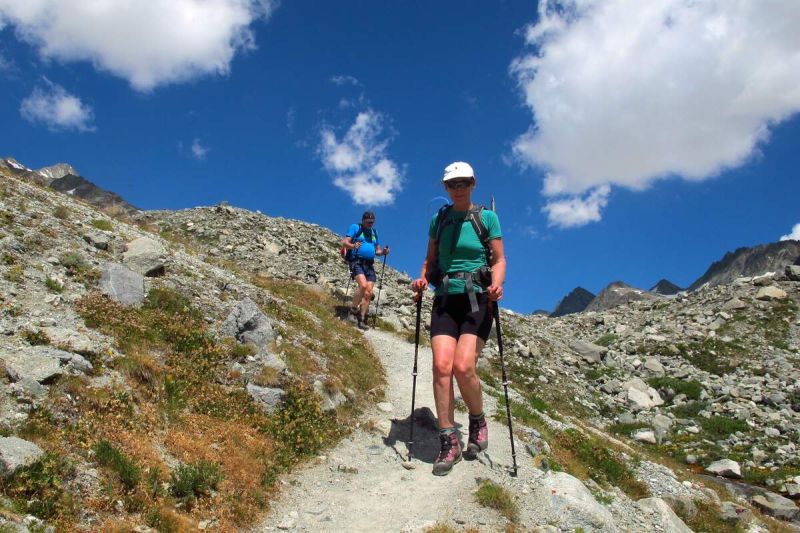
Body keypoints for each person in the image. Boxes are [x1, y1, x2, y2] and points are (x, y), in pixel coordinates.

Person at [411, 161, 505, 476]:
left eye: (463, 182)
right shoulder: (439, 219)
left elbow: (500, 258)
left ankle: (477, 420)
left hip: (478, 299)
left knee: (463, 367)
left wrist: (497, 283)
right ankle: (448, 439)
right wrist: (423, 279)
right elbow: (430, 259)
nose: (458, 188)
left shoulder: (487, 218)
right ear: (446, 188)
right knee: (441, 366)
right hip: (445, 299)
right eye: (452, 184)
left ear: (473, 183)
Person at [343, 210, 389, 330]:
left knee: (368, 293)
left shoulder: (374, 232)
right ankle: (352, 311)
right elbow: (345, 242)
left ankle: (361, 318)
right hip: (357, 261)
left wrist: (383, 252)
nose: (370, 224)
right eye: (368, 222)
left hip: (369, 264)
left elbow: (377, 250)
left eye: (372, 222)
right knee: (363, 286)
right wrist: (353, 246)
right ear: (363, 220)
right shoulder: (355, 227)